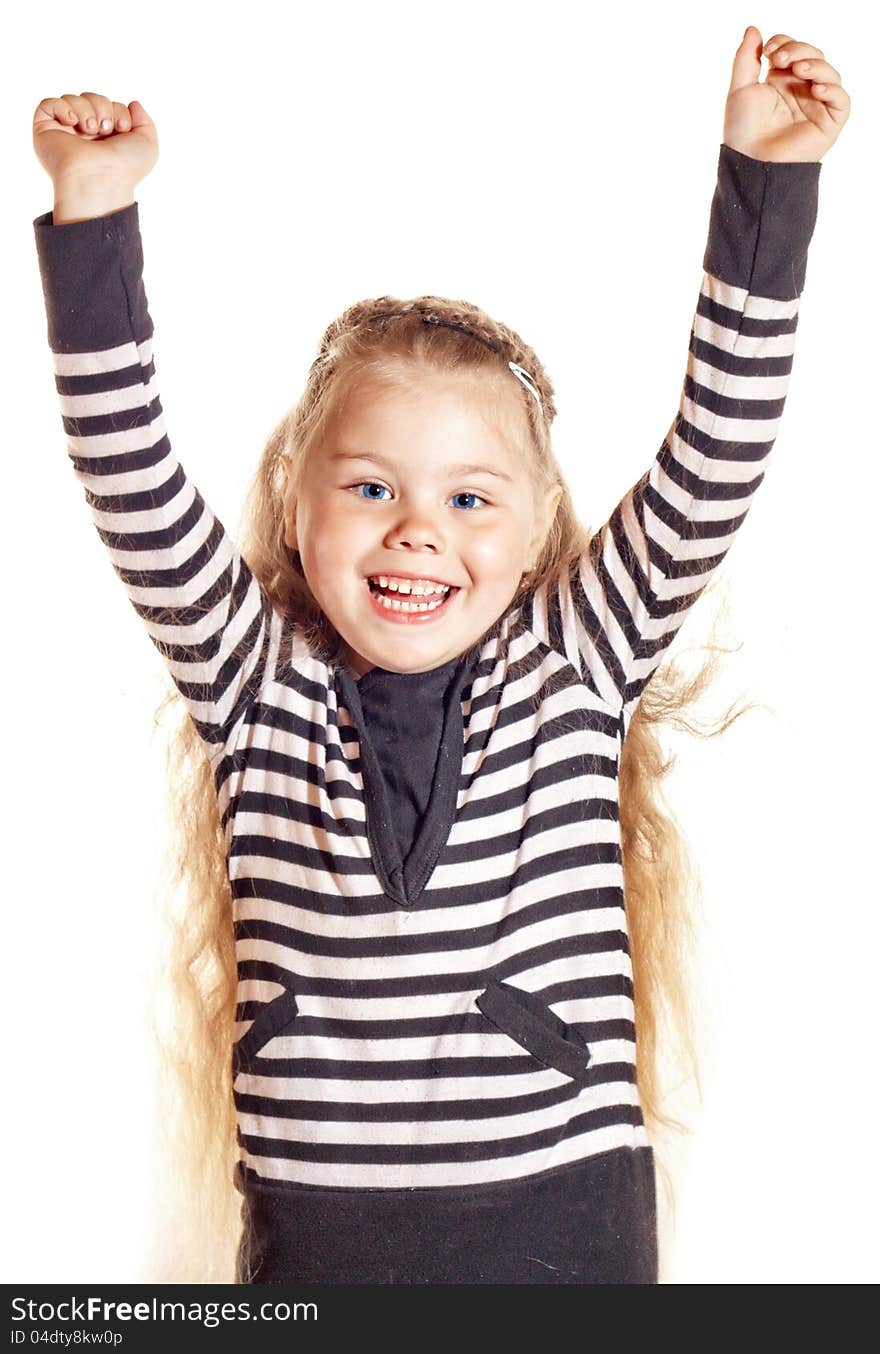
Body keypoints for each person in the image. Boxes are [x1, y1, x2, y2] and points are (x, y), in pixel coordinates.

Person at [30, 25, 850, 1285]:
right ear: (295, 511)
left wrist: (766, 179)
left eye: (470, 498)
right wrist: (92, 217)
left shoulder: (576, 662)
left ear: (533, 537)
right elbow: (128, 469)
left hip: (562, 1224)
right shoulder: (255, 686)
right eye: (370, 486)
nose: (418, 528)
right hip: (317, 1241)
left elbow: (716, 450)